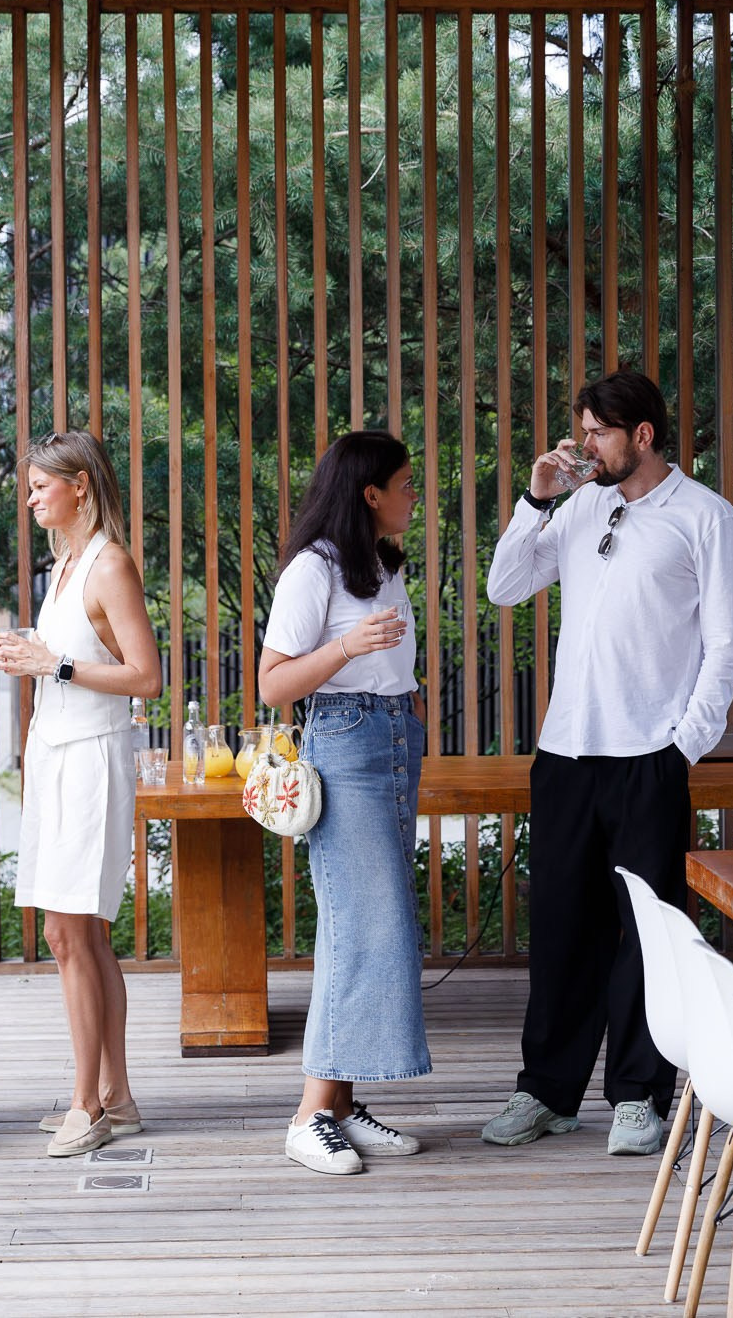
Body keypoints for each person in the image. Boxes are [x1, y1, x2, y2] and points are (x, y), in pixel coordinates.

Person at [480, 369, 733, 1156]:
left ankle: (638, 1095)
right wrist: (535, 498)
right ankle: (546, 1091)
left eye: (599, 431)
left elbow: (727, 649)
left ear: (643, 435)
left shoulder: (706, 517)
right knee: (561, 928)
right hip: (565, 751)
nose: (585, 444)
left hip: (648, 758)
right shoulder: (582, 505)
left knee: (646, 935)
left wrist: (680, 747)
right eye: (583, 430)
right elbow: (504, 585)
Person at [258, 431, 430, 1177]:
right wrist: (350, 648)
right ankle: (307, 1114)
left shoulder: (382, 564)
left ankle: (340, 1108)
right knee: (366, 924)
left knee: (367, 925)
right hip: (346, 741)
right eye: (405, 483)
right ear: (369, 493)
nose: (414, 494)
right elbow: (273, 684)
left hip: (391, 738)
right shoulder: (312, 570)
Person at [0, 433, 162, 1157]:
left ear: (81, 488)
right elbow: (73, 660)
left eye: (39, 486)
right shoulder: (63, 563)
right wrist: (43, 657)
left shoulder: (110, 564)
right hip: (55, 756)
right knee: (81, 934)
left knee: (70, 934)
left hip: (93, 759)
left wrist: (51, 663)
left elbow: (147, 677)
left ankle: (87, 1103)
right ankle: (117, 1097)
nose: (30, 499)